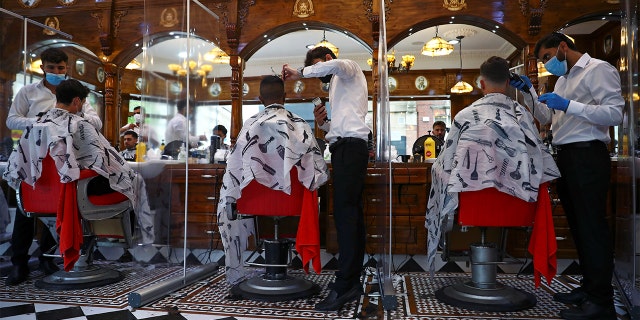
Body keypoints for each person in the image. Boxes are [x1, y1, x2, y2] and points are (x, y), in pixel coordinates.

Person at [512, 32, 623, 320]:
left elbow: (614, 114)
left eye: (547, 57)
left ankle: (602, 302)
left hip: (588, 155)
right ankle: (587, 289)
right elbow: (549, 119)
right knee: (578, 227)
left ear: (563, 46)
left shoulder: (599, 69)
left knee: (592, 228)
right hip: (567, 156)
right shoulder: (563, 80)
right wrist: (529, 93)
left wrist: (569, 105)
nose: (547, 64)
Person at [426, 55, 560, 279]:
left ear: (481, 83)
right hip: (517, 205)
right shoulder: (522, 116)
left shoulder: (465, 115)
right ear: (508, 83)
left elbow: (444, 166)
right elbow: (540, 162)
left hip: (472, 205)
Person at [3, 79, 155, 271]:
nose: (82, 106)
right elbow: (104, 161)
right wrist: (126, 172)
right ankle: (131, 244)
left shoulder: (35, 125)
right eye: (82, 102)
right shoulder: (80, 125)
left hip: (38, 195)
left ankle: (27, 264)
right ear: (76, 101)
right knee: (133, 181)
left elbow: (17, 168)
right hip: (73, 192)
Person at [216, 75, 328, 284]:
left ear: (260, 99)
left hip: (252, 203)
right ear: (285, 97)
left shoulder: (249, 127)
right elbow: (316, 174)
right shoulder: (300, 125)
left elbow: (234, 171)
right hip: (293, 203)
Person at [282, 46, 370, 311]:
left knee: (345, 217)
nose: (319, 75)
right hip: (344, 147)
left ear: (329, 59)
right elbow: (343, 126)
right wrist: (324, 126)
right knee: (350, 217)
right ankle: (351, 281)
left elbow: (332, 67)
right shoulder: (338, 86)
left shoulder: (348, 68)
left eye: (319, 66)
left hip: (351, 148)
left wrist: (300, 72)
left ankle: (345, 285)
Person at [4, 47, 102, 286]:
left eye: (60, 68)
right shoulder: (28, 92)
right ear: (42, 68)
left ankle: (48, 258)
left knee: (58, 206)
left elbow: (96, 121)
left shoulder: (76, 92)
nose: (56, 72)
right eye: (51, 68)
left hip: (64, 159)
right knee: (26, 211)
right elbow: (11, 120)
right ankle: (19, 263)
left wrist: (70, 115)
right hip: (34, 157)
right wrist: (40, 121)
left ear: (66, 68)